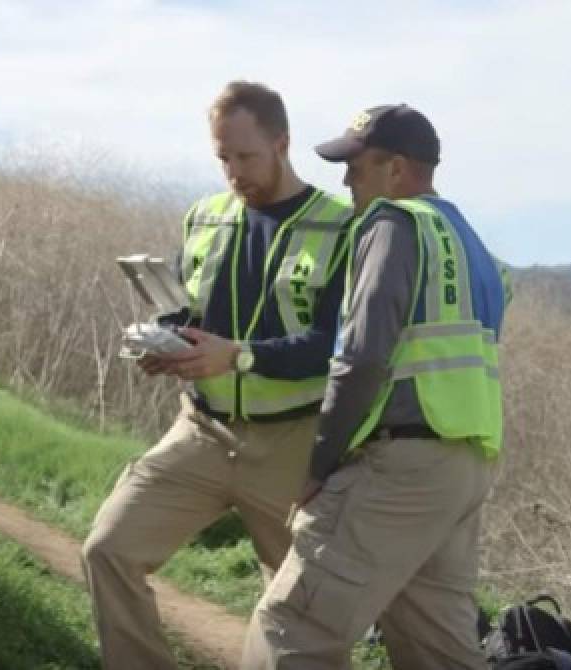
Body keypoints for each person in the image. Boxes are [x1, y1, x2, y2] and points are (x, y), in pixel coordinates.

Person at [80, 81, 355, 669]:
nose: (233, 171)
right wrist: (166, 343)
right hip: (200, 432)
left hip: (291, 444)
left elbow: (333, 345)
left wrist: (237, 355)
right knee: (108, 550)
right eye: (222, 157)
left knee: (301, 616)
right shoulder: (204, 217)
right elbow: (188, 312)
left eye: (245, 156)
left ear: (282, 144)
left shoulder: (341, 227)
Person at [242, 104, 512, 670]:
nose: (345, 182)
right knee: (437, 649)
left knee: (291, 627)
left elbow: (361, 357)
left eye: (356, 167)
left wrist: (321, 462)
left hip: (399, 466)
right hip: (464, 467)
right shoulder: (471, 247)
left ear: (397, 170)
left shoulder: (393, 223)